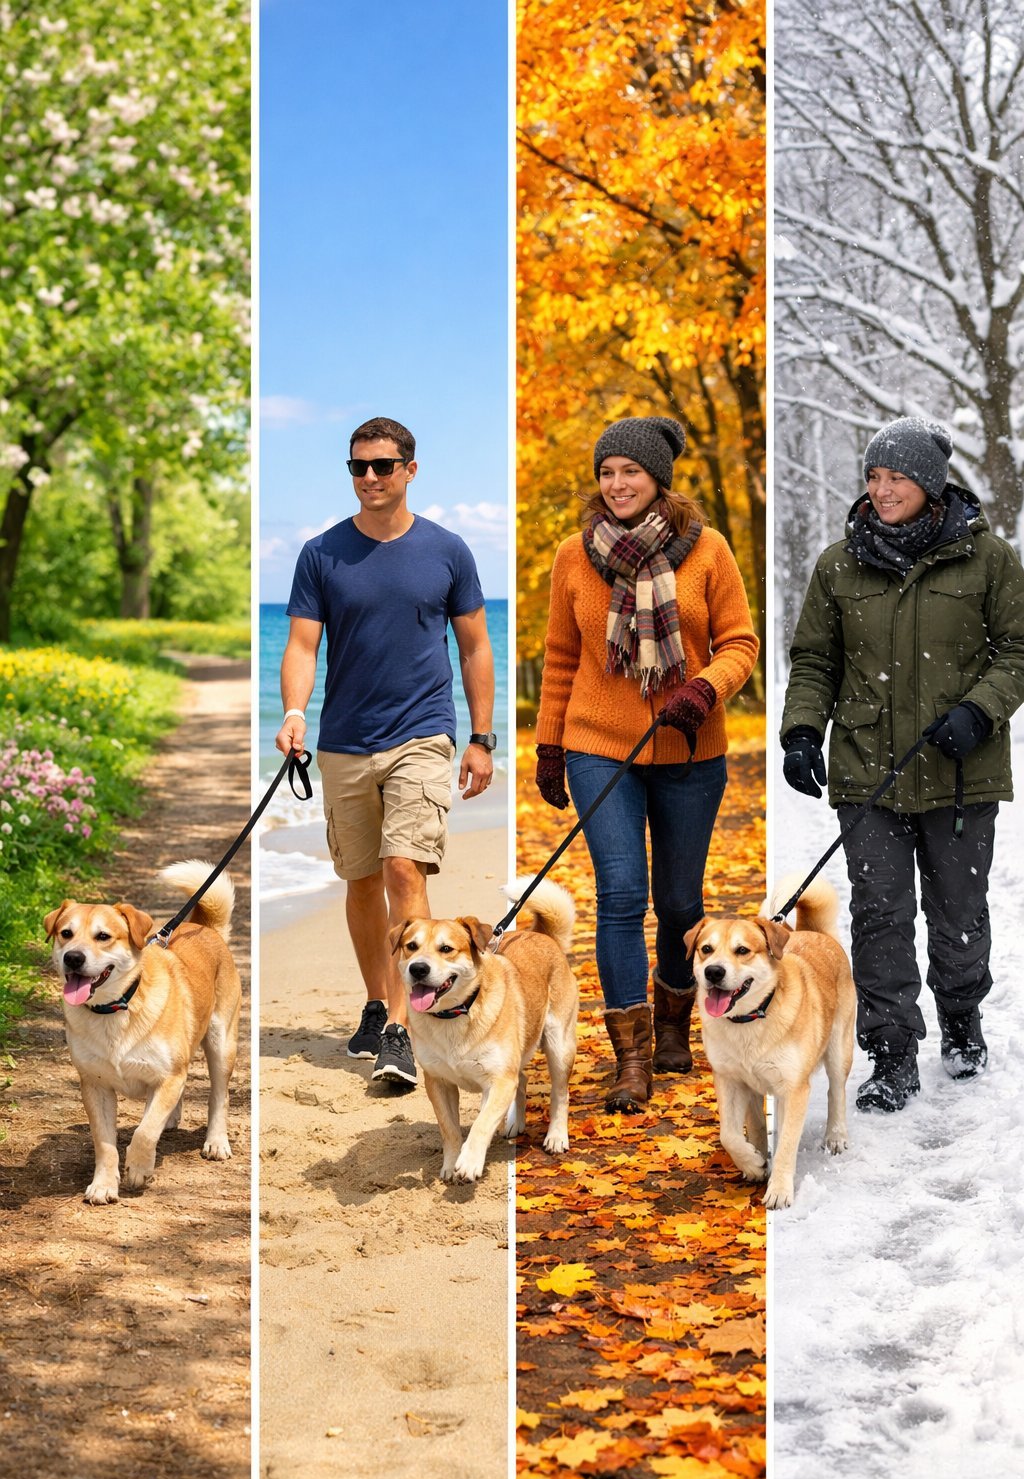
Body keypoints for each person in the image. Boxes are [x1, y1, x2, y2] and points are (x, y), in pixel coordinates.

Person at [781, 416, 1024, 1113]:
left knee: (958, 914)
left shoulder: (989, 560)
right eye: (873, 477)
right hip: (867, 771)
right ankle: (891, 1053)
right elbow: (816, 661)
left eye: (896, 478)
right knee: (882, 916)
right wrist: (801, 730)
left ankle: (961, 1019)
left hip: (960, 771)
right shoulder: (838, 564)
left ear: (929, 484)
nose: (881, 490)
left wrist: (979, 709)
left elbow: (1018, 650)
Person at [533, 416, 759, 1112]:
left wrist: (704, 688)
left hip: (691, 751)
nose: (617, 483)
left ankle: (672, 1029)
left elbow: (740, 644)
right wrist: (548, 745)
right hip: (600, 750)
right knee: (622, 896)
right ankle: (632, 1058)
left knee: (681, 905)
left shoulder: (708, 551)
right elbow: (563, 658)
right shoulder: (576, 556)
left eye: (630, 471)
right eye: (607, 472)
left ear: (658, 478)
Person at [275, 416, 496, 1088]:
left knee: (405, 869)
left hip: (424, 733)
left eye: (383, 465)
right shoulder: (322, 554)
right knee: (362, 881)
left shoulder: (448, 551)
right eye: (358, 467)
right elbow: (303, 647)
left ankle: (403, 1025)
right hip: (344, 740)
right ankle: (377, 1002)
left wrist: (482, 737)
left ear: (410, 470)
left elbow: (477, 646)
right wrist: (291, 712)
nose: (370, 477)